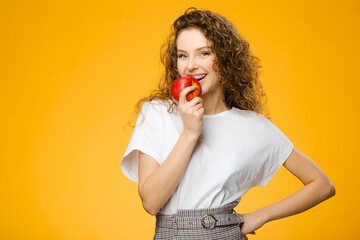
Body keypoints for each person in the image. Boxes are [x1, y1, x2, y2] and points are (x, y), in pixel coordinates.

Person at [121, 7, 335, 240]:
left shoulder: (253, 126)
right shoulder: (157, 113)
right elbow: (151, 202)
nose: (190, 65)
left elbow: (322, 185)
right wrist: (190, 133)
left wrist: (261, 215)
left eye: (203, 53)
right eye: (183, 55)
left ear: (225, 59)